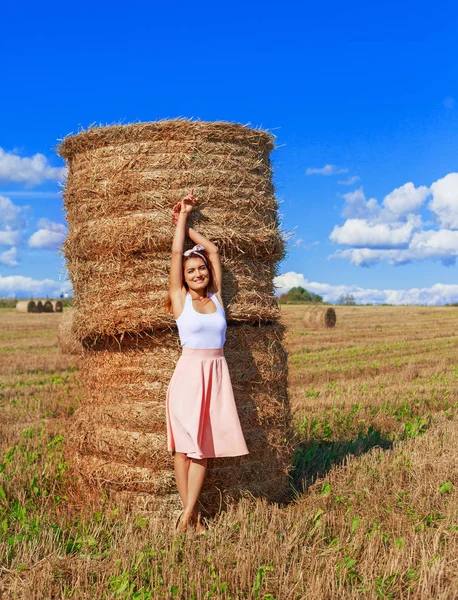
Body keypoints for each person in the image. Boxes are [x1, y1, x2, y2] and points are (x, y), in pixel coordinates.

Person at [166, 189, 249, 535]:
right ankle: (191, 518)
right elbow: (174, 253)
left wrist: (191, 234)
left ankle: (187, 516)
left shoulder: (217, 298)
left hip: (215, 375)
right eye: (190, 271)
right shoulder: (179, 299)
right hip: (187, 376)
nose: (198, 274)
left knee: (202, 452)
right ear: (182, 278)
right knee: (184, 450)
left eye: (200, 269)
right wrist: (182, 218)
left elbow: (213, 249)